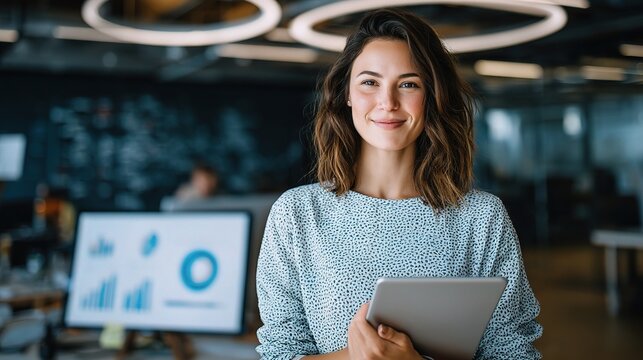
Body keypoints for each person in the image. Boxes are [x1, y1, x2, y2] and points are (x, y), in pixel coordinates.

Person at [256, 9, 542, 360]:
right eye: (370, 82)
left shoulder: (481, 218)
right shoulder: (297, 214)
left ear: (431, 96)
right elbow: (279, 353)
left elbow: (513, 354)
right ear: (347, 93)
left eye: (408, 84)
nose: (388, 102)